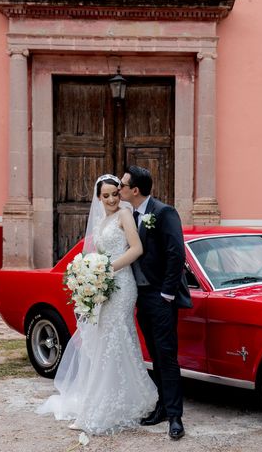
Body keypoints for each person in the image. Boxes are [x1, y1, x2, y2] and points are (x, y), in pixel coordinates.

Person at [36, 174, 157, 434]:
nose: (112, 199)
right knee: (105, 341)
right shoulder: (101, 222)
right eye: (106, 195)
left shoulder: (125, 215)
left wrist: (106, 269)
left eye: (115, 193)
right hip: (105, 286)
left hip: (122, 285)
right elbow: (94, 253)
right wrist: (90, 272)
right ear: (98, 197)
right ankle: (109, 400)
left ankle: (105, 406)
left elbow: (136, 249)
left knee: (116, 337)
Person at [118, 165, 192, 441]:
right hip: (139, 297)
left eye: (123, 185)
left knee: (167, 356)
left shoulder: (163, 212)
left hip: (160, 297)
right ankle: (162, 407)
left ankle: (175, 417)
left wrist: (167, 294)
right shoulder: (129, 214)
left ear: (134, 190)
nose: (120, 188)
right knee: (155, 356)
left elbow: (176, 254)